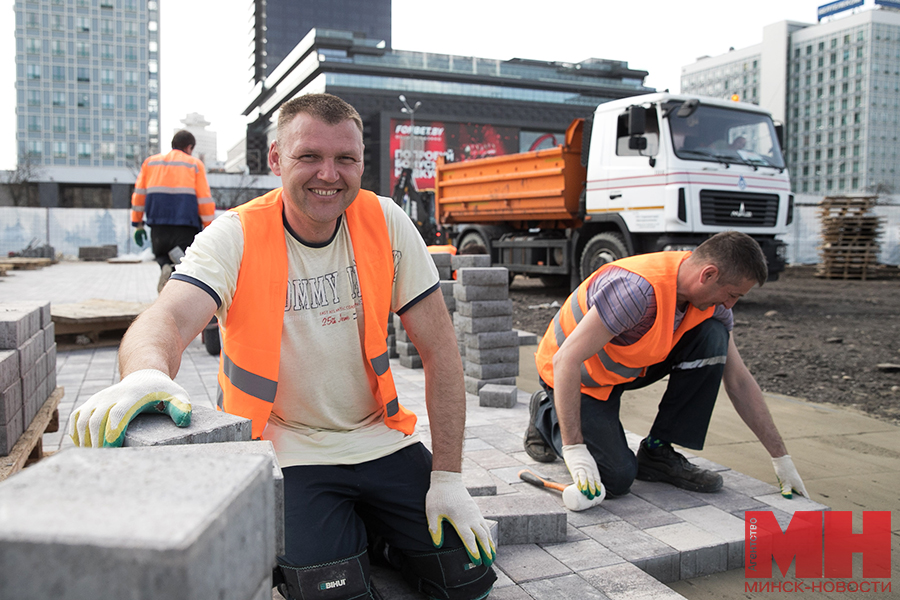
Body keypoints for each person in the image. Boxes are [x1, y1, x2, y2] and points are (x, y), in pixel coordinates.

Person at [70, 94, 496, 600]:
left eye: (346, 159)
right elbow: (165, 318)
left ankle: (374, 535)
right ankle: (348, 536)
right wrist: (145, 373)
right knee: (330, 591)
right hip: (285, 449)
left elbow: (442, 355)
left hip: (378, 439)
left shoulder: (385, 221)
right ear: (276, 159)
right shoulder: (236, 235)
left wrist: (447, 477)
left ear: (362, 161)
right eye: (309, 156)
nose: (329, 174)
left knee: (468, 577)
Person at [524, 231, 808, 505]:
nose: (731, 304)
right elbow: (566, 361)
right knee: (615, 479)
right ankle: (547, 412)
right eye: (732, 294)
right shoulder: (636, 291)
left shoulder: (713, 303)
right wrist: (574, 448)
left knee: (713, 336)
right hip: (575, 377)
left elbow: (738, 380)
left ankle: (658, 453)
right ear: (708, 274)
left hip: (629, 366)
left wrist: (780, 458)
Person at [131, 130, 214, 293]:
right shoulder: (194, 164)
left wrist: (138, 224)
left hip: (158, 225)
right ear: (189, 147)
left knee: (163, 255)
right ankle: (179, 295)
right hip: (185, 226)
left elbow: (139, 195)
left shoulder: (150, 163)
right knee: (184, 262)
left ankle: (166, 268)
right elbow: (204, 198)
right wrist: (209, 226)